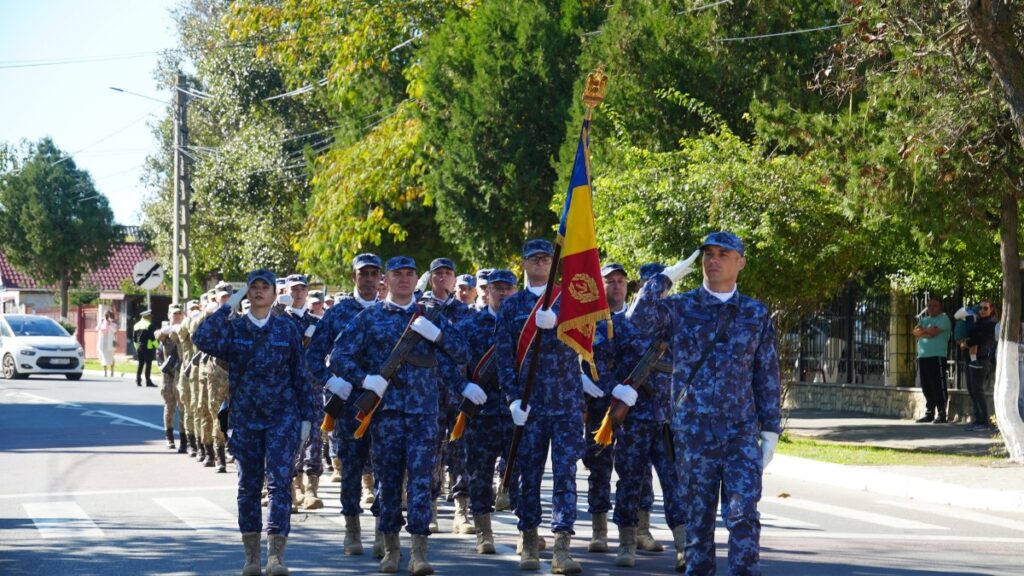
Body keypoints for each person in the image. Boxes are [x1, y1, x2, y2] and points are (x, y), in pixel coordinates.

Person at [628, 231, 782, 576]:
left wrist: (771, 429)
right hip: (693, 434)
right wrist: (664, 278)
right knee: (697, 520)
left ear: (740, 262)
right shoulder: (680, 308)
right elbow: (636, 322)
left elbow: (766, 373)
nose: (713, 260)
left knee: (743, 513)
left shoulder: (755, 312)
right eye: (708, 254)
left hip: (740, 432)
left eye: (722, 255)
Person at [330, 256, 468, 575]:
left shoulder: (430, 315)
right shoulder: (370, 317)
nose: (404, 279)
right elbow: (339, 355)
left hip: (423, 414)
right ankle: (391, 549)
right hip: (386, 415)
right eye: (397, 274)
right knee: (388, 483)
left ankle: (419, 553)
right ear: (386, 281)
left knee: (421, 482)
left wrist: (437, 336)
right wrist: (365, 379)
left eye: (409, 274)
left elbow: (462, 352)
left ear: (417, 279)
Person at [193, 269, 315, 576]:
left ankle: (276, 556)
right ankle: (251, 557)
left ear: (275, 293)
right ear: (246, 293)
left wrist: (306, 417)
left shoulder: (287, 328)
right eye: (253, 287)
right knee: (248, 487)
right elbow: (202, 337)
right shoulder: (235, 329)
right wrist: (227, 305)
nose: (259, 291)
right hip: (245, 418)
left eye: (265, 287)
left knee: (279, 486)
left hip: (282, 418)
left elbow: (300, 375)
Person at [495, 239, 586, 574]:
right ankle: (529, 541)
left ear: (553, 263)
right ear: (524, 264)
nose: (540, 264)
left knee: (566, 475)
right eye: (533, 259)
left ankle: (562, 547)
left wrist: (560, 322)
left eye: (546, 259)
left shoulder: (571, 301)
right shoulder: (512, 306)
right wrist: (512, 399)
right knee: (528, 476)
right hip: (529, 406)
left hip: (565, 403)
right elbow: (504, 358)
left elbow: (589, 335)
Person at [610, 263, 687, 570]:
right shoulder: (630, 321)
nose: (658, 293)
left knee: (674, 483)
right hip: (636, 418)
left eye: (663, 288)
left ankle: (684, 545)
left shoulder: (676, 321)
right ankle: (627, 542)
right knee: (629, 481)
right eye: (650, 287)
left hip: (667, 419)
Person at [305, 253, 382, 556]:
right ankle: (352, 529)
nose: (368, 278)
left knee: (384, 468)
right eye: (363, 273)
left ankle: (382, 530)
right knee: (350, 468)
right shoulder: (337, 314)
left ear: (381, 278)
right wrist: (330, 381)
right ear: (354, 277)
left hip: (383, 404)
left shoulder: (388, 310)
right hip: (349, 402)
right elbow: (313, 357)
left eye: (374, 273)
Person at [456, 268, 520, 554]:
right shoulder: (470, 326)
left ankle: (525, 531)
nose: (503, 293)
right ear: (488, 291)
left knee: (522, 473)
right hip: (481, 414)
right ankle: (484, 532)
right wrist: (464, 387)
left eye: (508, 288)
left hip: (516, 412)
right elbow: (452, 363)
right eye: (498, 288)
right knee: (480, 474)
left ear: (515, 291)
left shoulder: (525, 326)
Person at [280, 273, 325, 510]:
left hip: (312, 388)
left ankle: (311, 490)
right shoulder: (278, 321)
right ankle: (291, 489)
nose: (298, 294)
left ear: (307, 293)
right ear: (286, 292)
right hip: (286, 391)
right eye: (293, 290)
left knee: (314, 439)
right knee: (288, 439)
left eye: (301, 290)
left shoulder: (316, 323)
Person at [958, 299, 997, 431]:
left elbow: (978, 338)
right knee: (972, 390)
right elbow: (971, 334)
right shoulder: (980, 322)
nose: (982, 311)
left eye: (985, 308)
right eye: (980, 308)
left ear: (991, 309)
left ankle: (984, 422)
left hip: (981, 360)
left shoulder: (990, 324)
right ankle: (977, 420)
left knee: (977, 390)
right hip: (972, 359)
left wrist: (967, 343)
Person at [913, 297, 952, 423]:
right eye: (929, 305)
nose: (931, 308)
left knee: (938, 385)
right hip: (923, 356)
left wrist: (923, 332)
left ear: (940, 307)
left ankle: (942, 413)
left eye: (934, 305)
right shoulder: (925, 319)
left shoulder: (943, 319)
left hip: (937, 356)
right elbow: (915, 332)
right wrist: (927, 331)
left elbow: (934, 332)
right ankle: (929, 412)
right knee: (926, 386)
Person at [156, 306, 184, 450]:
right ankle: (169, 436)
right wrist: (167, 330)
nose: (177, 316)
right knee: (170, 407)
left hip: (182, 375)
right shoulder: (165, 332)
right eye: (174, 314)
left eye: (179, 313)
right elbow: (157, 335)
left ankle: (185, 440)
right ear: (169, 315)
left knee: (184, 407)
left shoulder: (185, 329)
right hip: (168, 375)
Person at [132, 310, 158, 387]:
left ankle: (138, 380)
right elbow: (153, 338)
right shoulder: (149, 325)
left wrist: (137, 348)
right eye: (150, 316)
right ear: (147, 317)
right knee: (148, 364)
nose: (151, 318)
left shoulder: (136, 325)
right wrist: (157, 347)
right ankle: (148, 381)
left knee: (140, 364)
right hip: (148, 347)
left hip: (139, 347)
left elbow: (134, 339)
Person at [96, 309, 118, 377]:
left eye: (107, 315)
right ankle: (105, 372)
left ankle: (112, 372)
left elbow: (115, 331)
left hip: (110, 343)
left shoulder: (112, 323)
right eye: (105, 315)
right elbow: (97, 329)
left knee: (111, 357)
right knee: (103, 357)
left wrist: (109, 324)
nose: (106, 316)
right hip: (102, 343)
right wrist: (101, 323)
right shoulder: (102, 321)